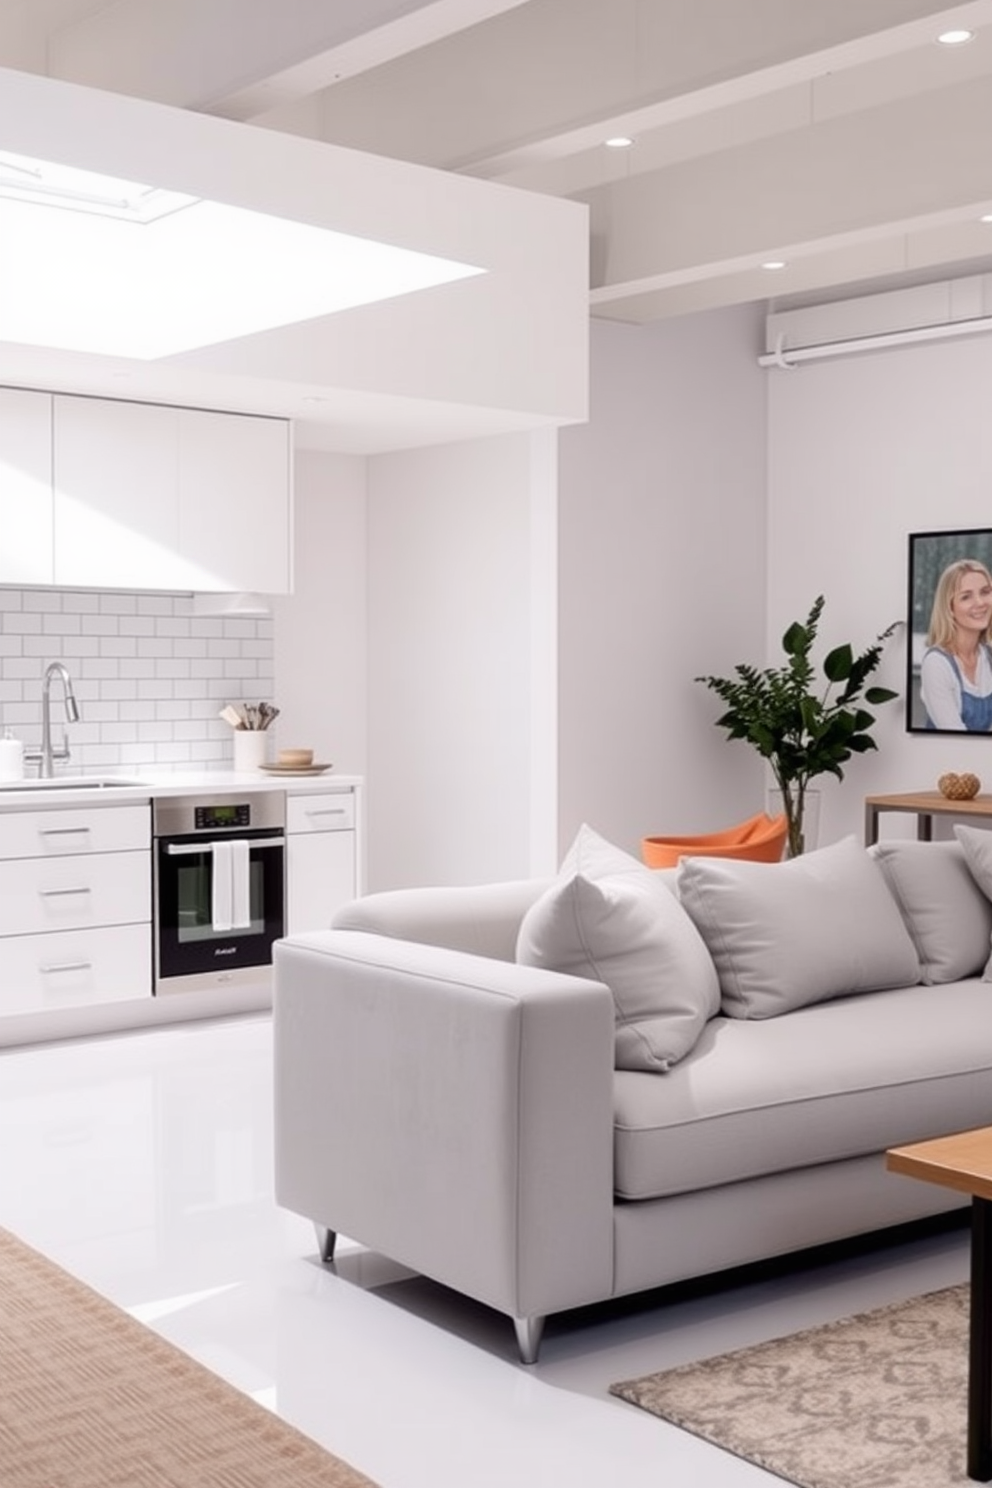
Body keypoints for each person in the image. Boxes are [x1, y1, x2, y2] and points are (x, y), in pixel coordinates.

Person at [920, 558, 992, 730]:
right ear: (949, 608)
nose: (980, 603)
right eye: (966, 597)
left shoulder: (988, 657)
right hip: (946, 756)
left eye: (985, 592)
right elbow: (956, 738)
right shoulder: (937, 664)